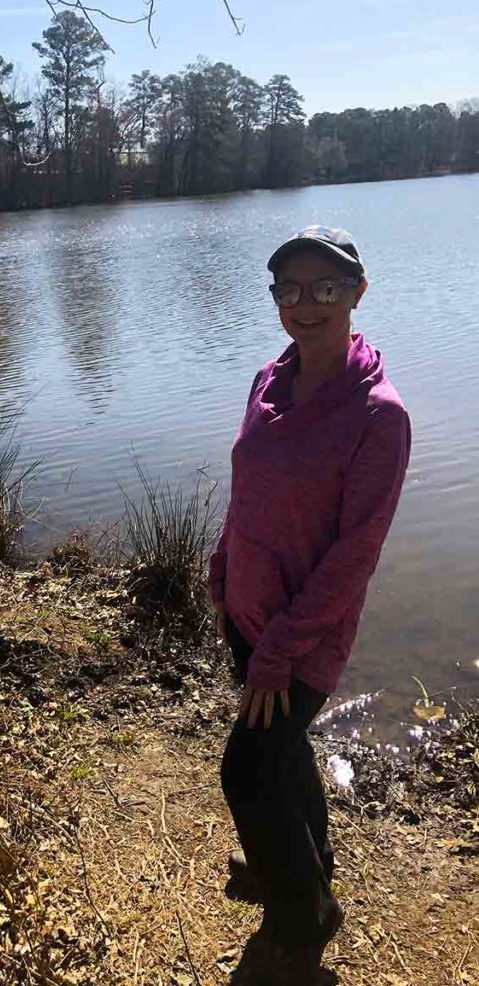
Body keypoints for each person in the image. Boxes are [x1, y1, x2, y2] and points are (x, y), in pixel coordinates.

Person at [208, 226, 411, 985]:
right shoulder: (268, 378)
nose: (306, 303)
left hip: (300, 638)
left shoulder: (378, 416)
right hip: (247, 612)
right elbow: (248, 488)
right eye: (289, 288)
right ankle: (304, 869)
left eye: (325, 287)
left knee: (246, 774)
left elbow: (354, 555)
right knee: (283, 759)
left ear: (357, 293)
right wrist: (222, 566)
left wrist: (281, 650)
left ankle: (299, 924)